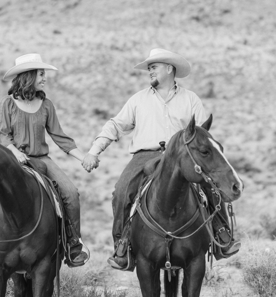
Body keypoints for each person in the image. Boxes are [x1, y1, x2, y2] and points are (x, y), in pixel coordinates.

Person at [82, 48, 240, 270]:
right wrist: (94, 150)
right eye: (149, 68)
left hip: (181, 156)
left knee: (209, 184)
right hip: (145, 156)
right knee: (121, 191)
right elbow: (116, 125)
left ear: (169, 68)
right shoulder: (138, 100)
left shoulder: (190, 99)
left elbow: (203, 135)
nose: (150, 71)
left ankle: (221, 234)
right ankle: (122, 244)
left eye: (153, 67)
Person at [0, 53, 91, 270]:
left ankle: (73, 244)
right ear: (29, 76)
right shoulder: (7, 104)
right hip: (12, 160)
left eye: (44, 74)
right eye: (41, 73)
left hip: (42, 160)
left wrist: (84, 158)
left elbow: (60, 136)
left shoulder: (46, 105)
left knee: (71, 193)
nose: (44, 78)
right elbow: (3, 135)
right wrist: (15, 152)